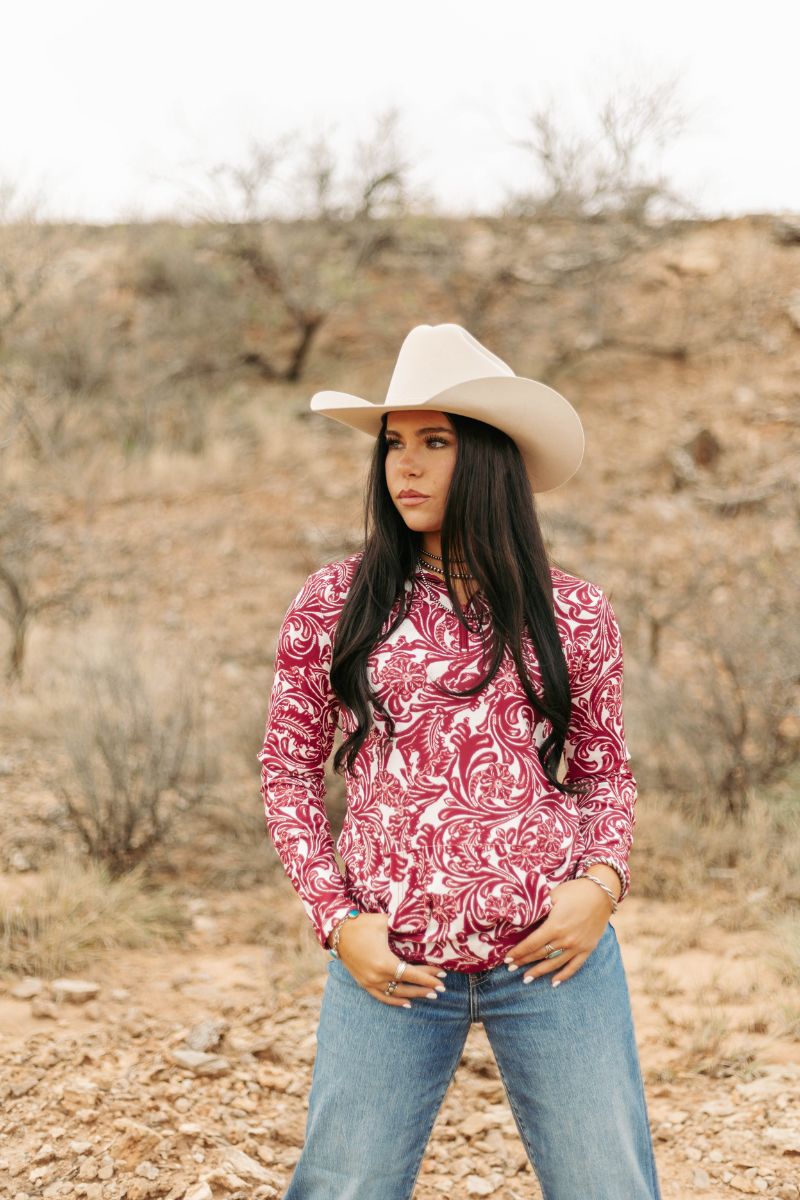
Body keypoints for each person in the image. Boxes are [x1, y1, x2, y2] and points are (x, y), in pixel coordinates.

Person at [258, 323, 663, 1199]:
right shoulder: (335, 600)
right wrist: (337, 919)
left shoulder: (574, 612)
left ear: (486, 457)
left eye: (434, 443)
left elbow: (604, 772)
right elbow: (288, 772)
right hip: (391, 960)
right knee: (344, 1187)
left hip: (551, 957)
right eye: (395, 443)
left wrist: (601, 887)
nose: (404, 465)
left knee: (610, 1186)